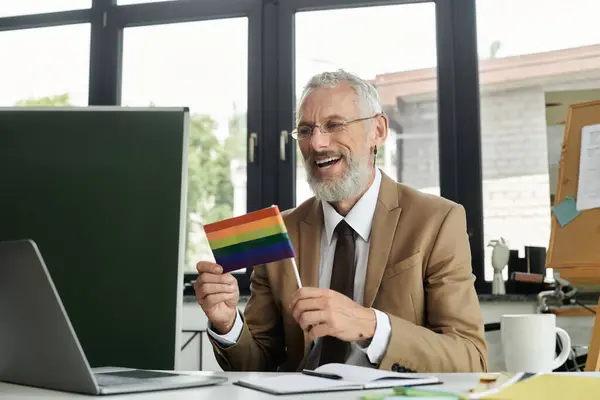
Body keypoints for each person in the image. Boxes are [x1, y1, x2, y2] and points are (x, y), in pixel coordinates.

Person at [195, 70, 488, 373]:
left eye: (334, 125)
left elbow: (470, 359)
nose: (317, 144)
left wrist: (372, 326)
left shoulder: (437, 221)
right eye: (306, 130)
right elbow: (257, 364)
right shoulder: (281, 231)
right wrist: (227, 323)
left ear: (378, 130)